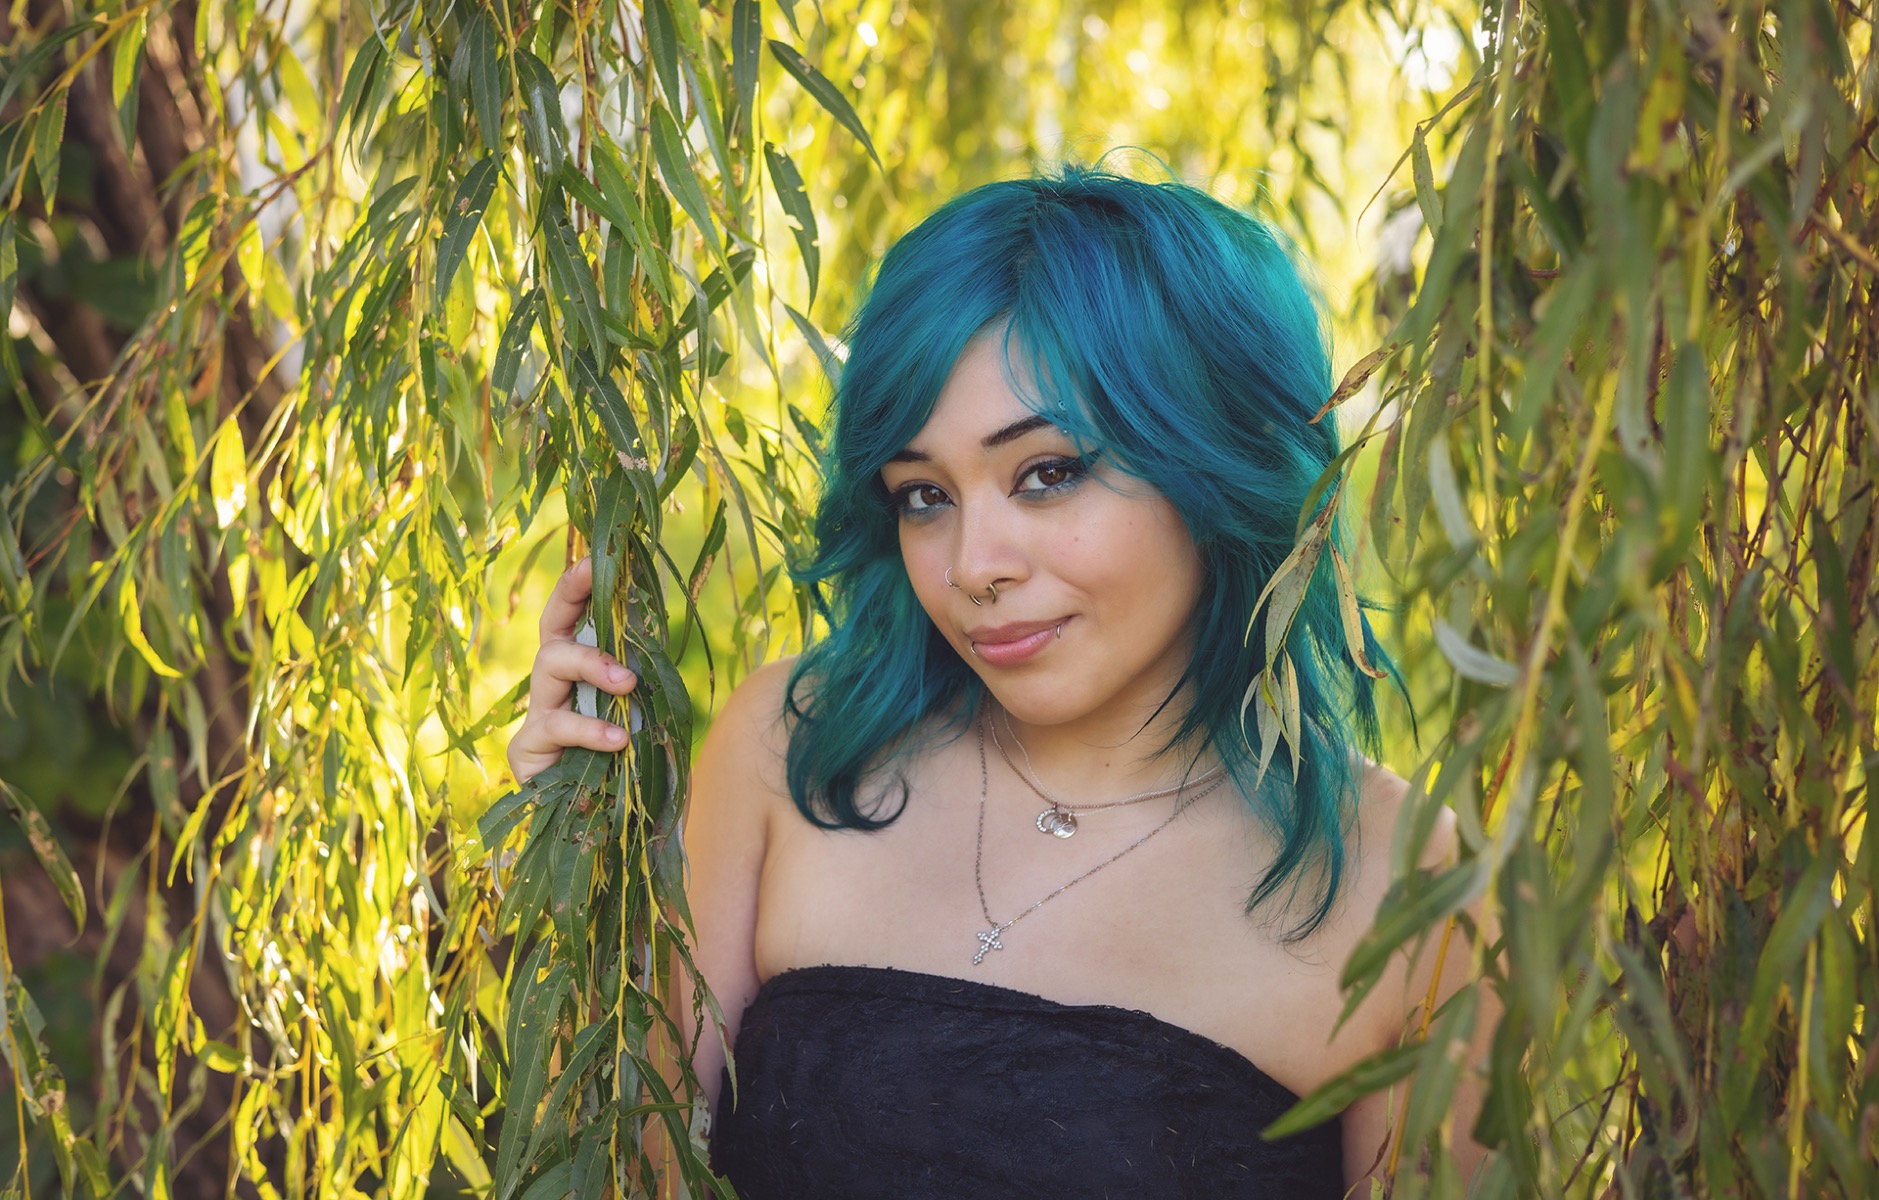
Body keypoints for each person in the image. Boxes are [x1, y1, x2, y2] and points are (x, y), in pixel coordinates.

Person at [506, 163, 1483, 1196]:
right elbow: (631, 1166)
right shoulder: (789, 749)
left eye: (1047, 473)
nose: (974, 566)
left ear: (1218, 456)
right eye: (923, 495)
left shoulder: (1405, 890)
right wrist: (575, 866)